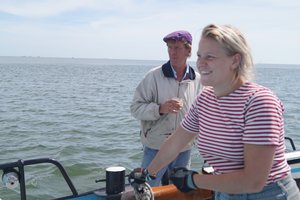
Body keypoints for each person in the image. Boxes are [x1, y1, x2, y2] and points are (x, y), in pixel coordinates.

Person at [130, 24, 300, 199]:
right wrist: (147, 173)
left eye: (209, 57)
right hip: (224, 193)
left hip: (269, 194)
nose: (201, 63)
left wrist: (193, 181)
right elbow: (176, 141)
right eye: (199, 56)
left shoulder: (259, 102)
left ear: (234, 61)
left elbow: (253, 181)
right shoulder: (205, 99)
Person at [130, 30, 202, 186]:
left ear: (189, 51)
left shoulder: (198, 79)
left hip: (184, 148)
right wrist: (159, 109)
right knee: (147, 187)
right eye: (170, 47)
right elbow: (135, 108)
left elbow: (202, 114)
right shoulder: (153, 76)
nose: (172, 52)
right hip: (155, 146)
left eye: (177, 47)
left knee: (179, 190)